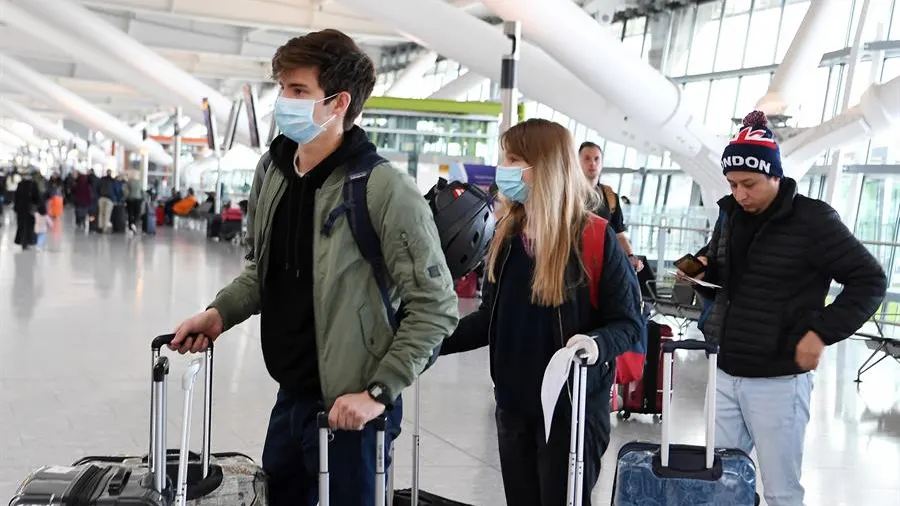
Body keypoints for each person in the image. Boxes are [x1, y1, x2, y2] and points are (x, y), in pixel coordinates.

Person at [168, 29, 459, 506]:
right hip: (292, 396)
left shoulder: (384, 189)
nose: (284, 100)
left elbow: (437, 307)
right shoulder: (274, 170)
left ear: (338, 102)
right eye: (282, 88)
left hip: (356, 411)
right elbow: (262, 270)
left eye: (298, 91)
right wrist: (219, 314)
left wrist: (378, 393)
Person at [685, 111, 887, 506]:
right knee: (721, 485)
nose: (739, 194)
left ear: (775, 175)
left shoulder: (814, 221)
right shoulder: (731, 215)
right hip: (726, 369)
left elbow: (870, 280)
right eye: (732, 184)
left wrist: (820, 332)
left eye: (749, 184)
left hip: (779, 380)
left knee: (780, 492)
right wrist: (703, 268)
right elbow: (726, 270)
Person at [439, 119, 644, 506]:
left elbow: (630, 323)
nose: (505, 168)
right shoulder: (506, 235)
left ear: (544, 166)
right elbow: (490, 319)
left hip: (573, 414)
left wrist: (597, 343)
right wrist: (431, 342)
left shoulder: (594, 237)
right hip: (514, 408)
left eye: (514, 159)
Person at [578, 142, 643, 272]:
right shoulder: (568, 194)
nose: (593, 163)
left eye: (597, 159)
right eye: (587, 158)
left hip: (604, 263)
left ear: (602, 163)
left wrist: (630, 256)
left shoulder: (610, 196)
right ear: (578, 162)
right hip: (577, 262)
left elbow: (619, 235)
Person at [13, 171, 41, 250]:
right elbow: (37, 197)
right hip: (29, 209)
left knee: (22, 226)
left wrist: (16, 208)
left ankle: (23, 242)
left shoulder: (20, 184)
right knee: (29, 226)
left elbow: (16, 197)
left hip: (21, 209)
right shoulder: (33, 184)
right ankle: (28, 242)